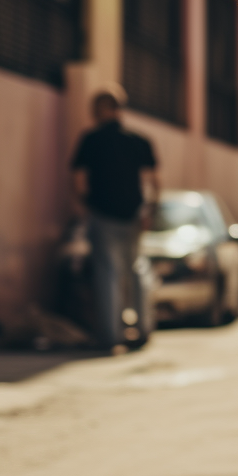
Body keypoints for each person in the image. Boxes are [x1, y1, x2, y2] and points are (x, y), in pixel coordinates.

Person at [71, 87, 159, 352]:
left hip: (103, 215)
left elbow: (78, 179)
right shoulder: (139, 140)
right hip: (133, 215)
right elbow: (154, 181)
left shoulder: (90, 139)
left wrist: (87, 206)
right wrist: (150, 211)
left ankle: (110, 338)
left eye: (95, 108)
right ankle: (143, 330)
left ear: (102, 109)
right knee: (137, 270)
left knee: (107, 274)